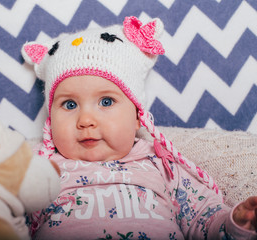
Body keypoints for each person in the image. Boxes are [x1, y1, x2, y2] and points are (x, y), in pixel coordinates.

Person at [21, 16, 257, 239]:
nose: (85, 120)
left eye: (106, 101)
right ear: (50, 118)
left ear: (137, 116)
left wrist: (234, 223)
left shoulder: (160, 164)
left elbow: (204, 220)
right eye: (69, 104)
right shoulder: (39, 168)